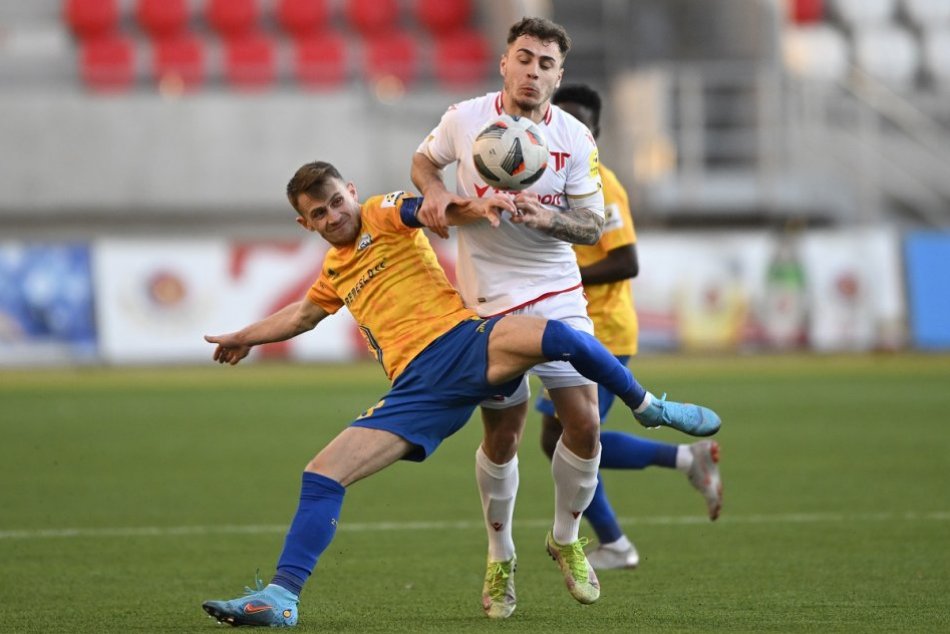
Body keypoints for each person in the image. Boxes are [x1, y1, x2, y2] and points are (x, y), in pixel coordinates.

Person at [201, 161, 720, 628]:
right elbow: (302, 315)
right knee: (321, 476)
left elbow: (430, 208)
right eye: (320, 213)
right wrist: (244, 336)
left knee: (560, 338)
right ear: (305, 224)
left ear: (351, 191)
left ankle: (648, 407)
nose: (334, 215)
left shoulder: (379, 212)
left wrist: (476, 207)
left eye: (337, 201)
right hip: (418, 389)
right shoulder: (335, 272)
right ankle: (282, 598)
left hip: (466, 343)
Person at [411, 16, 710, 618]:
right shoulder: (464, 118)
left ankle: (567, 539)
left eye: (546, 64)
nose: (533, 71)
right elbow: (424, 160)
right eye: (524, 58)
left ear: (558, 74)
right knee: (504, 435)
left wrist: (548, 219)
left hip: (557, 292)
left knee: (585, 425)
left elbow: (593, 227)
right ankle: (500, 555)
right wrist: (436, 193)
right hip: (488, 299)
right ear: (505, 62)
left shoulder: (575, 139)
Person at [536, 84, 723, 571]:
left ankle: (616, 542)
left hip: (603, 330)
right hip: (571, 328)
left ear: (594, 133)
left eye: (579, 124)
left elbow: (626, 261)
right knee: (559, 437)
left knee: (572, 437)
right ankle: (686, 462)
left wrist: (564, 279)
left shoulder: (603, 185)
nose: (568, 132)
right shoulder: (550, 181)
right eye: (560, 122)